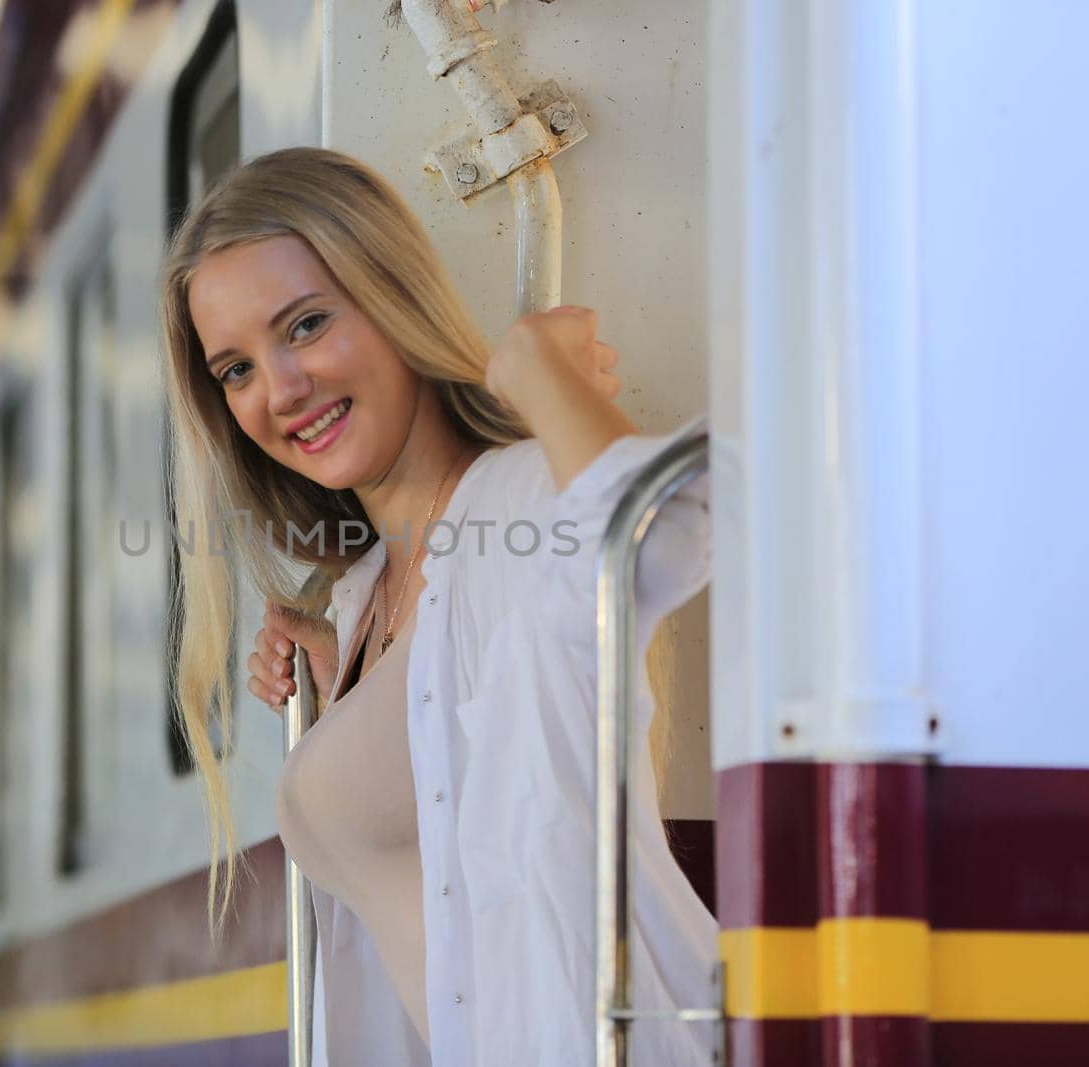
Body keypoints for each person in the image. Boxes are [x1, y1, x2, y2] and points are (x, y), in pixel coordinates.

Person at [159, 147, 714, 1065]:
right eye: (236, 371)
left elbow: (666, 533)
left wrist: (540, 371)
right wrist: (346, 701)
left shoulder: (515, 501)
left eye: (304, 324)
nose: (280, 391)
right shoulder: (366, 590)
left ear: (392, 298)